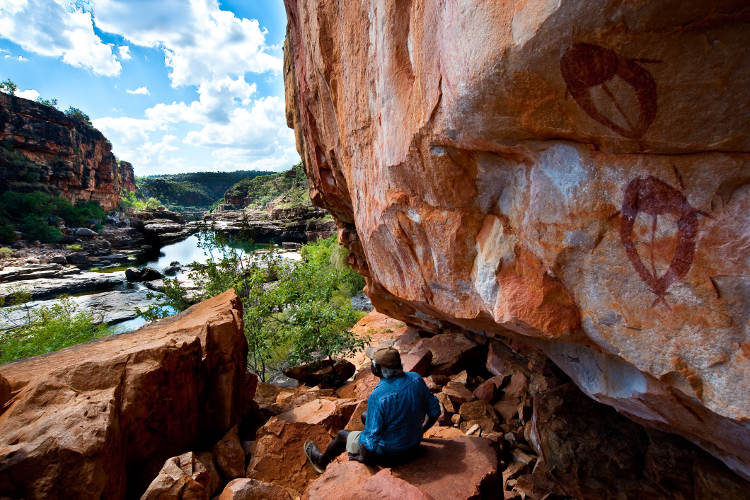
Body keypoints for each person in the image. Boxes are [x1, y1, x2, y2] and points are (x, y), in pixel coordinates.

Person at [303, 346, 441, 473]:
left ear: (379, 369)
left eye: (373, 363)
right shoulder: (416, 379)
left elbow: (370, 441)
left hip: (391, 456)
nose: (371, 365)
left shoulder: (378, 396)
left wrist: (365, 458)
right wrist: (421, 430)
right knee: (365, 416)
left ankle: (320, 462)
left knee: (342, 436)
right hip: (414, 446)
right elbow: (435, 411)